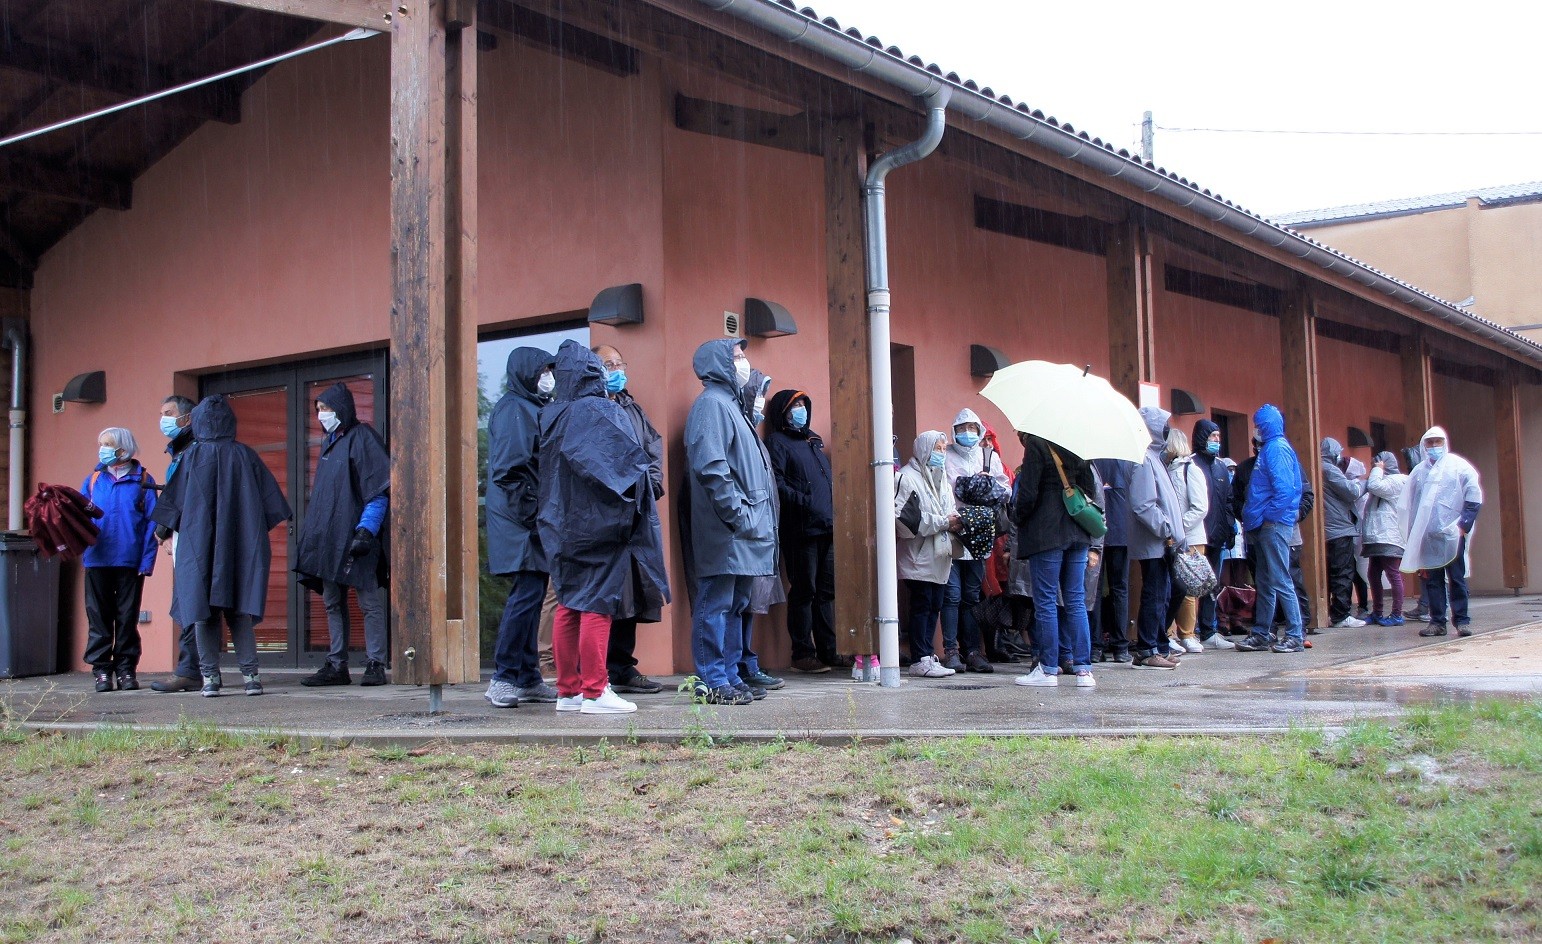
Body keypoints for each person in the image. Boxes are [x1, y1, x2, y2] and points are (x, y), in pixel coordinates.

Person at [537, 341, 670, 715]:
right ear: (591, 373)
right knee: (597, 606)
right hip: (598, 525)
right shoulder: (595, 410)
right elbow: (621, 469)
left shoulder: (554, 414)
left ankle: (569, 691)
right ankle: (596, 691)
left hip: (561, 526)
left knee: (568, 605)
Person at [151, 395, 292, 696]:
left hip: (199, 545)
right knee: (239, 610)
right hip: (239, 546)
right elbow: (272, 505)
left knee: (203, 610)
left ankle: (210, 679)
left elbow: (172, 503)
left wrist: (162, 531)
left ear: (198, 422)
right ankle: (251, 677)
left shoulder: (190, 457)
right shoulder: (246, 455)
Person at [683, 339, 777, 705]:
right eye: (736, 356)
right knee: (715, 604)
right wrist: (738, 514)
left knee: (735, 605)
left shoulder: (731, 406)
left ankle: (730, 675)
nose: (744, 362)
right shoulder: (711, 405)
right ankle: (711, 680)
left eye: (742, 355)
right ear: (719, 364)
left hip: (745, 531)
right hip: (728, 530)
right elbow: (711, 468)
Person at [295, 384, 392, 688]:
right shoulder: (329, 443)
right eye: (319, 409)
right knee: (332, 602)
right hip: (329, 538)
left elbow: (378, 489)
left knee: (369, 602)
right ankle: (338, 665)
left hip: (358, 536)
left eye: (327, 408)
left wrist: (366, 530)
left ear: (342, 408)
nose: (322, 415)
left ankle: (376, 663)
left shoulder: (363, 438)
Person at [592, 343, 671, 696]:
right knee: (606, 593)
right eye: (609, 364)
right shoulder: (589, 408)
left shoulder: (631, 406)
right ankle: (597, 669)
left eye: (620, 363)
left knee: (633, 590)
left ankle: (623, 665)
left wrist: (651, 483)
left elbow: (652, 447)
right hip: (605, 515)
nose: (617, 370)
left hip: (638, 514)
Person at [483, 348, 559, 709]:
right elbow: (510, 471)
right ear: (527, 372)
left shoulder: (530, 407)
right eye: (543, 369)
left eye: (549, 369)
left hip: (528, 521)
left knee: (530, 597)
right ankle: (503, 676)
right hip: (521, 524)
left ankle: (528, 677)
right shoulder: (515, 408)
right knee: (525, 595)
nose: (548, 376)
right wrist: (532, 516)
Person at [1010, 432, 1097, 688]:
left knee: (1045, 601)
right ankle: (1084, 670)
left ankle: (1048, 669)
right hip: (1077, 530)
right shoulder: (1077, 441)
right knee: (1075, 600)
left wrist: (1016, 515)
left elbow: (1028, 492)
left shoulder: (1037, 442)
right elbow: (1089, 488)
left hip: (1046, 532)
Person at [764, 387, 838, 673]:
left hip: (827, 527)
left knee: (826, 592)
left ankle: (829, 651)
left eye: (804, 405)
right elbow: (777, 484)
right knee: (803, 591)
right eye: (795, 406)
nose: (801, 411)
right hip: (801, 529)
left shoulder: (812, 441)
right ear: (782, 411)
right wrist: (806, 502)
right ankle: (802, 654)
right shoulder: (777, 442)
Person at [81, 427, 158, 692]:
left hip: (130, 561)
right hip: (96, 559)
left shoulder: (144, 480)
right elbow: (79, 517)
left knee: (127, 618)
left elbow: (152, 525)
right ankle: (102, 671)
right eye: (100, 443)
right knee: (99, 618)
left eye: (107, 444)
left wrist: (146, 562)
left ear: (123, 449)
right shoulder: (93, 480)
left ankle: (126, 670)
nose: (101, 448)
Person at [942, 408, 1010, 672]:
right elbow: (943, 487)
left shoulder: (989, 457)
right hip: (953, 531)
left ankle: (972, 650)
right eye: (962, 429)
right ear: (954, 431)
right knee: (952, 594)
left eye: (972, 428)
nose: (967, 434)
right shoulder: (945, 456)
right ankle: (951, 650)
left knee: (972, 594)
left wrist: (988, 485)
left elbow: (1006, 488)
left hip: (981, 535)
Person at [1400, 425, 1483, 638]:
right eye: (1430, 442)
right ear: (1423, 445)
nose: (1434, 446)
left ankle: (1462, 621)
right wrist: (1413, 534)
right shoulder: (1419, 472)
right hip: (1428, 537)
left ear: (1444, 443)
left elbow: (1473, 497)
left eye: (1438, 442)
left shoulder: (1458, 467)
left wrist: (1463, 526)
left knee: (1456, 579)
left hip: (1452, 535)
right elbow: (1410, 505)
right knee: (1432, 581)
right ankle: (1437, 622)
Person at [1237, 404, 1306, 654]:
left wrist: (1268, 518)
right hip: (1267, 524)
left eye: (1257, 424)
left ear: (1264, 425)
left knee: (1278, 579)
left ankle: (1294, 634)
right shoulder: (1274, 448)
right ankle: (1262, 632)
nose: (1255, 429)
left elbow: (1285, 491)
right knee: (1267, 581)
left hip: (1271, 525)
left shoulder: (1275, 449)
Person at [735, 367, 785, 696]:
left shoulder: (755, 437)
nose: (761, 404)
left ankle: (747, 661)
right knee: (738, 603)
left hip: (763, 534)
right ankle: (740, 665)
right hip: (744, 536)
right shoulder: (740, 435)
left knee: (752, 603)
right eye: (758, 395)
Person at [895, 431, 960, 678]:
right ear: (924, 449)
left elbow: (950, 508)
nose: (942, 453)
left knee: (935, 604)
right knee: (921, 604)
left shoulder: (941, 478)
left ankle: (927, 654)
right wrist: (945, 521)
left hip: (940, 554)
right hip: (918, 555)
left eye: (944, 448)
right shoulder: (906, 478)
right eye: (938, 448)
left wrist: (955, 520)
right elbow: (906, 519)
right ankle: (919, 656)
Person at [150, 394, 203, 693]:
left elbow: (180, 496)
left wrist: (162, 528)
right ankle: (194, 667)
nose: (163, 419)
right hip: (182, 533)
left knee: (188, 598)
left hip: (190, 535)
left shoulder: (192, 451)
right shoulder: (181, 451)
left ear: (188, 417)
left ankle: (190, 669)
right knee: (186, 598)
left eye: (168, 413)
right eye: (161, 412)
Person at [1129, 407, 1186, 668]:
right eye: (1163, 425)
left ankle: (1158, 644)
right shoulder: (1144, 459)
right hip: (1155, 542)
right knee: (1154, 595)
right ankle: (1147, 648)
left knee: (1162, 594)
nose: (1167, 429)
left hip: (1163, 542)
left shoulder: (1155, 458)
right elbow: (1143, 505)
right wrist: (1166, 530)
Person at [1191, 419, 1236, 650]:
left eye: (1218, 436)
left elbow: (1228, 501)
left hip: (1217, 536)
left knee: (1211, 585)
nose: (1217, 441)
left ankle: (1209, 629)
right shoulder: (1191, 464)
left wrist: (1231, 528)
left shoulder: (1220, 467)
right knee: (1189, 585)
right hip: (1198, 536)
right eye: (1212, 437)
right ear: (1202, 437)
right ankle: (1188, 631)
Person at [1164, 428, 1210, 655]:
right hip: (1171, 538)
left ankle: (1188, 634)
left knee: (1189, 588)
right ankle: (1170, 634)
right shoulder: (1167, 469)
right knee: (1172, 587)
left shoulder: (1190, 470)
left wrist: (1179, 527)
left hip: (1190, 537)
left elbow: (1200, 506)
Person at [1320, 437, 1366, 628]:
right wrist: (1364, 483)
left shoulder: (1316, 466)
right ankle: (1341, 614)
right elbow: (1351, 492)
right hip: (1338, 528)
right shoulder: (1329, 469)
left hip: (1326, 529)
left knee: (1329, 573)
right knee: (1343, 572)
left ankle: (1330, 612)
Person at [1091, 458, 1134, 662]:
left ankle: (1095, 646)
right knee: (1120, 589)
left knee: (1094, 589)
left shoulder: (1092, 458)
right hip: (1121, 528)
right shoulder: (1126, 459)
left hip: (1095, 528)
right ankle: (1120, 646)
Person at [1361, 451, 1408, 626]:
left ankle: (1397, 614)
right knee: (1373, 574)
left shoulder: (1397, 481)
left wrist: (1378, 470)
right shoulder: (1384, 480)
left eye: (1377, 463)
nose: (1374, 467)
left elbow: (1373, 486)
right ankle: (1377, 612)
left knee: (1392, 574)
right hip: (1378, 535)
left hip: (1389, 535)